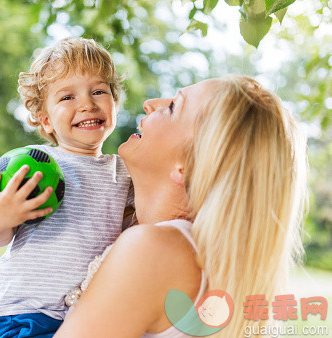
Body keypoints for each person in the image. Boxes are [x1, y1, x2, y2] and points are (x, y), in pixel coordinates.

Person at [55, 75, 307, 337]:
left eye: (174, 107)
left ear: (188, 167)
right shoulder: (206, 264)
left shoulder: (152, 251)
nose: (150, 103)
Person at [0, 37, 135, 337]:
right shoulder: (31, 166)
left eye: (99, 91)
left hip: (86, 315)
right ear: (45, 119)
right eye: (68, 97)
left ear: (114, 103)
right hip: (26, 313)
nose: (87, 104)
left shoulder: (125, 172)